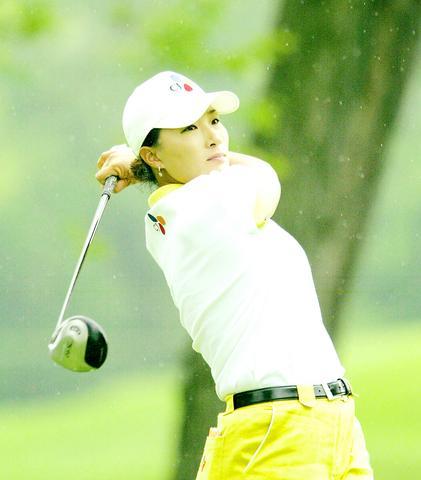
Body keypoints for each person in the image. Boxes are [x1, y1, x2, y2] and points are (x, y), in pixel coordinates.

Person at [96, 71, 373, 479]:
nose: (213, 137)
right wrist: (139, 166)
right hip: (274, 429)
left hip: (331, 421)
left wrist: (143, 166)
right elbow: (266, 177)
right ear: (154, 155)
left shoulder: (201, 198)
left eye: (214, 121)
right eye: (190, 128)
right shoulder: (196, 208)